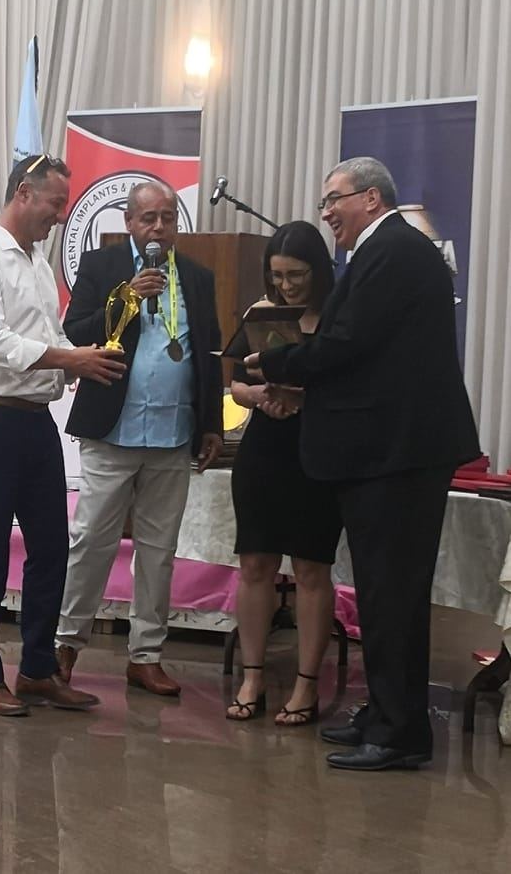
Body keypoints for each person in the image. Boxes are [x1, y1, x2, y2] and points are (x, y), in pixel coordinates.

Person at [246, 157, 480, 770]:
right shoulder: (384, 251)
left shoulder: (393, 251)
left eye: (334, 199)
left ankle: (400, 734)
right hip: (386, 451)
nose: (325, 212)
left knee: (392, 595)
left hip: (397, 454)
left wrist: (277, 362)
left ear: (371, 198)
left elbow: (348, 344)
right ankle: (384, 715)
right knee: (380, 593)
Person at [0, 153, 127, 716]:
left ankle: (37, 670)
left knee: (51, 548)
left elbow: (48, 335)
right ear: (23, 193)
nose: (60, 215)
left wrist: (78, 359)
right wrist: (70, 359)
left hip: (34, 422)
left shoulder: (37, 263)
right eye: (55, 203)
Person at [55, 180, 224, 696]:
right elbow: (76, 330)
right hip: (113, 431)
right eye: (148, 218)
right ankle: (64, 645)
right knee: (91, 541)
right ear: (129, 222)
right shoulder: (102, 266)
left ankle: (146, 655)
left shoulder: (197, 277)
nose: (158, 228)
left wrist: (212, 424)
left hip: (173, 434)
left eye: (167, 218)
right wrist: (127, 296)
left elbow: (208, 353)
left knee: (158, 550)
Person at [226, 222, 342, 725]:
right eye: (277, 276)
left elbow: (351, 387)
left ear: (318, 270)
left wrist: (302, 398)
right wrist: (258, 395)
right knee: (255, 564)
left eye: (296, 275)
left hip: (317, 452)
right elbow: (236, 382)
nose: (286, 285)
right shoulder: (262, 313)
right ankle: (252, 678)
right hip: (264, 451)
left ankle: (306, 686)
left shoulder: (339, 316)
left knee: (312, 569)